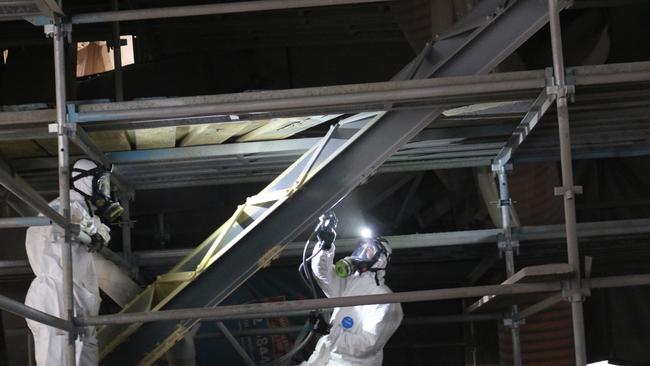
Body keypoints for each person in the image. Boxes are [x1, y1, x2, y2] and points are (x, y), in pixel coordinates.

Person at [25, 158, 121, 365]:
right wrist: (93, 232)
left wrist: (97, 232)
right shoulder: (63, 206)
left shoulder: (84, 211)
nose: (105, 191)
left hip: (77, 299)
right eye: (101, 184)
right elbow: (68, 220)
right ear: (85, 183)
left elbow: (97, 228)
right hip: (55, 297)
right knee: (58, 361)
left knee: (86, 359)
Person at [301, 220, 403, 365]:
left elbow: (368, 344)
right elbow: (323, 274)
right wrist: (325, 247)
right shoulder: (350, 283)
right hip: (324, 357)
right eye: (361, 248)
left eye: (369, 251)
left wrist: (330, 333)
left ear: (380, 260)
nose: (361, 254)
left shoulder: (384, 299)